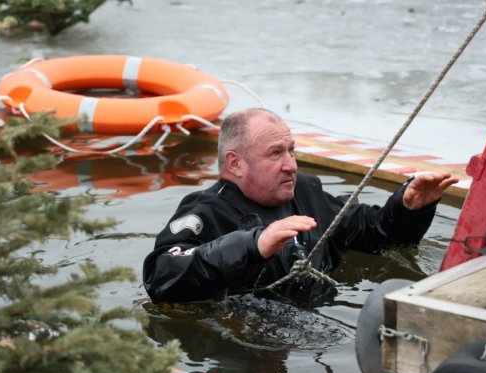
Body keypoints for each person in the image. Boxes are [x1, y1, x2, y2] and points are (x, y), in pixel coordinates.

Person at [143, 108, 458, 303]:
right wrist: (252, 245)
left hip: (325, 314)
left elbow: (375, 235)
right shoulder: (204, 213)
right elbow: (161, 278)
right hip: (249, 339)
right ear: (235, 163)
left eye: (291, 151)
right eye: (275, 153)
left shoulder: (306, 192)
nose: (291, 165)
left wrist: (408, 207)